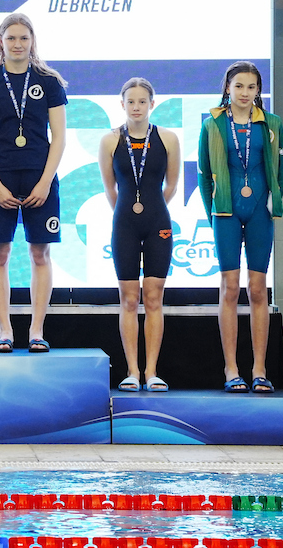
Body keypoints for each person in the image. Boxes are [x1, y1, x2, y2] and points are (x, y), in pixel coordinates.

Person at [0, 13, 67, 354]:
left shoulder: (49, 82)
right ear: (1, 41)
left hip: (40, 177)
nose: (17, 44)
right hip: (1, 178)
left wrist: (45, 183)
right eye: (11, 38)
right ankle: (5, 331)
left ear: (32, 41)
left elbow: (59, 138)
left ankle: (37, 330)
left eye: (23, 38)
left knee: (40, 253)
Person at [197, 60, 283, 394]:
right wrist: (214, 214)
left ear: (258, 90)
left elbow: (280, 172)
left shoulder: (272, 123)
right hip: (226, 212)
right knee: (230, 288)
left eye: (251, 87)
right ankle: (232, 369)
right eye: (239, 86)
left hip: (260, 211)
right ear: (227, 88)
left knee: (259, 289)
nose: (245, 93)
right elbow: (204, 176)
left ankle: (259, 369)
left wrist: (272, 202)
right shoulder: (212, 124)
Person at [98, 77, 180, 392]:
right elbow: (110, 189)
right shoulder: (109, 140)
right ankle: (132, 371)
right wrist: (129, 213)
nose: (136, 107)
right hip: (124, 225)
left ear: (152, 104)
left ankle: (151, 372)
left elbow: (171, 186)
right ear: (122, 104)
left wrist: (151, 209)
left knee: (154, 297)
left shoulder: (168, 139)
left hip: (158, 221)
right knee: (129, 299)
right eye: (130, 102)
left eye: (142, 101)